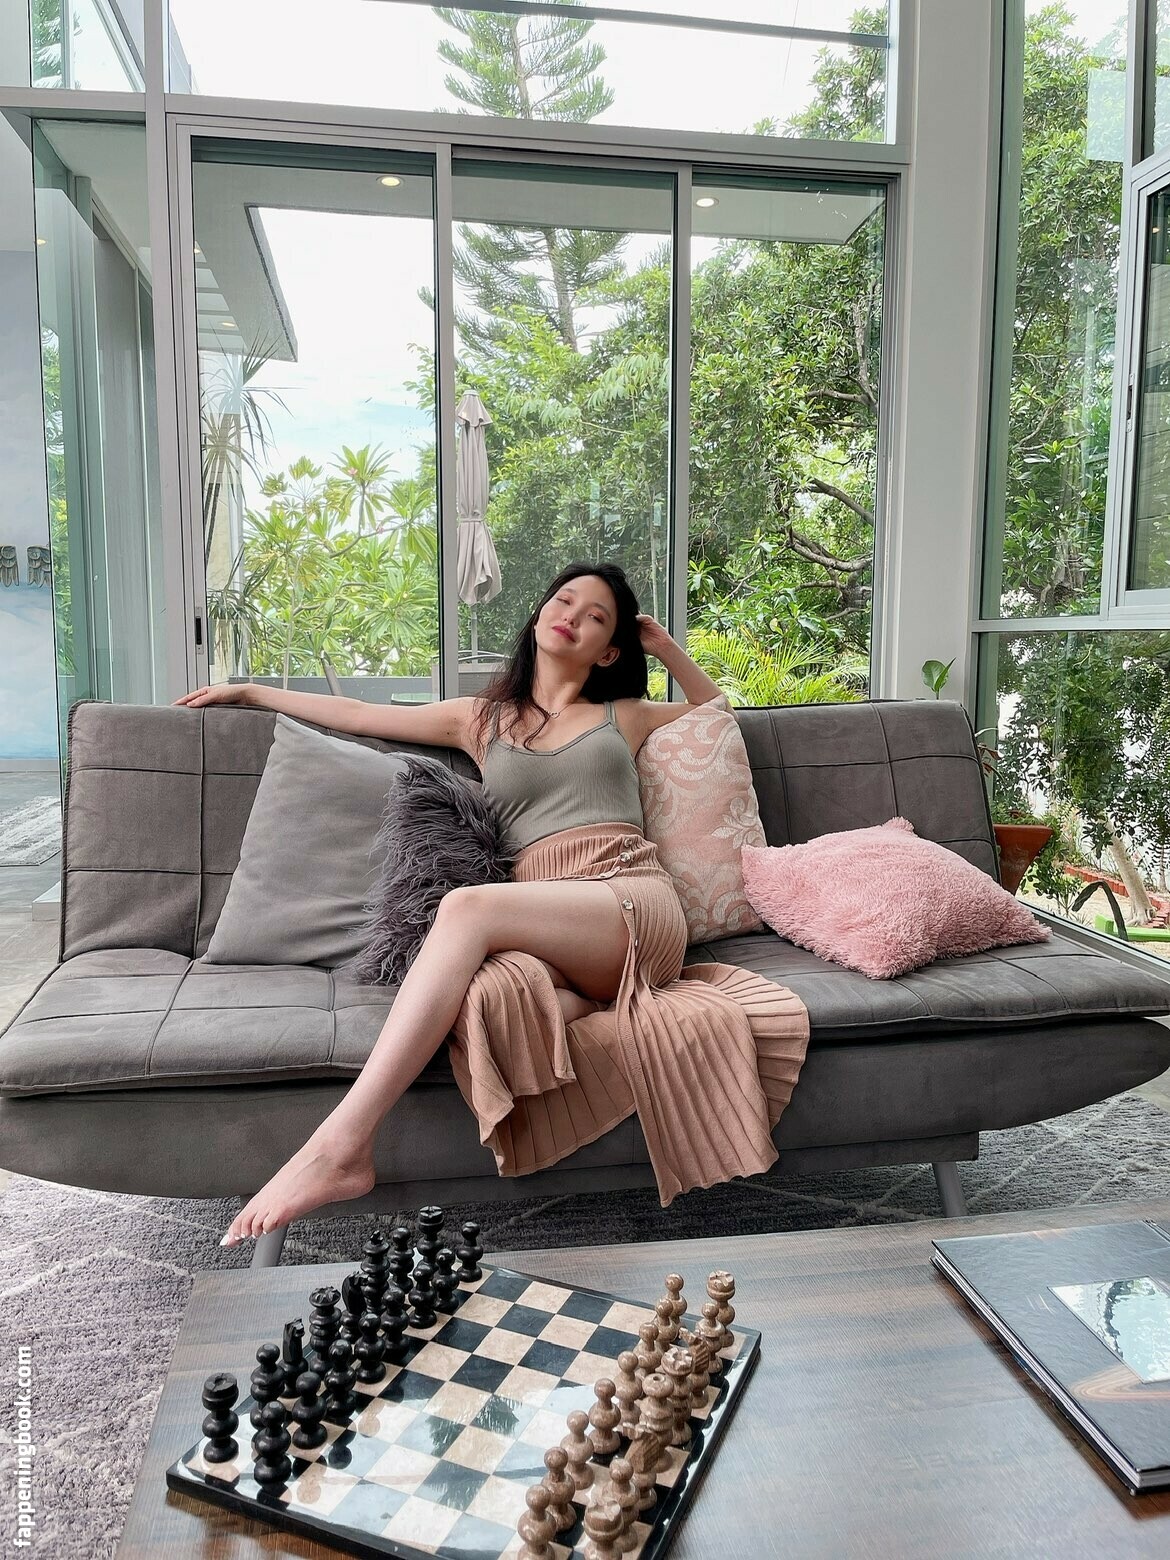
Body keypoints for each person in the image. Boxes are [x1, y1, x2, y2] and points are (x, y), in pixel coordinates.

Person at [174, 561, 809, 1245]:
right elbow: (357, 714)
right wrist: (250, 690)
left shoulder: (621, 715)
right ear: (539, 616)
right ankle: (589, 1010)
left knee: (466, 910)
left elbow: (717, 717)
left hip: (627, 898)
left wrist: (665, 648)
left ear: (609, 651)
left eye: (596, 616)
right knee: (487, 995)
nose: (572, 615)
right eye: (563, 600)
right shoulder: (480, 719)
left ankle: (342, 1146)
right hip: (544, 919)